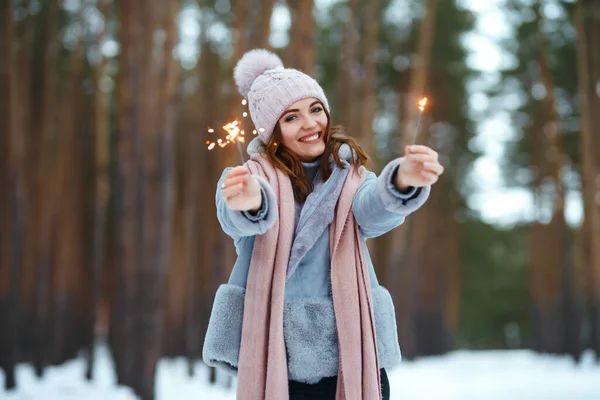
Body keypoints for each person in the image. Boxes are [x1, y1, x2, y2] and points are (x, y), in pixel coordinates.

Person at [202, 49, 444, 400]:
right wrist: (251, 202)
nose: (311, 124)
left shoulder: (352, 177)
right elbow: (235, 219)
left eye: (316, 109)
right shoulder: (247, 178)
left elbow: (372, 208)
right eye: (292, 117)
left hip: (351, 346)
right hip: (277, 353)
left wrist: (402, 181)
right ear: (273, 132)